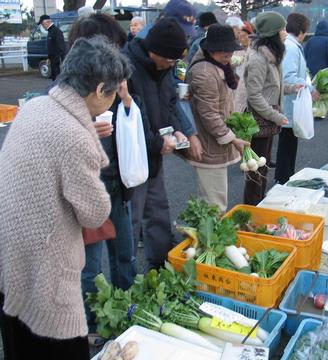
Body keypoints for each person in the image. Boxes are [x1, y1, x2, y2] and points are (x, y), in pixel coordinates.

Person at [0, 36, 128, 359]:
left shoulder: (34, 108)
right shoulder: (73, 137)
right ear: (100, 90)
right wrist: (86, 141)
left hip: (13, 257)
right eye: (113, 92)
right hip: (48, 270)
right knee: (57, 345)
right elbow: (95, 213)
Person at [68, 14, 139, 340]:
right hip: (88, 190)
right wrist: (84, 130)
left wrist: (125, 101)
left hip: (117, 185)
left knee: (125, 252)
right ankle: (94, 325)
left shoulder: (114, 87)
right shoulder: (67, 94)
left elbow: (139, 128)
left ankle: (129, 309)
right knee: (90, 267)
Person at [123, 18, 188, 271]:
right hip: (131, 159)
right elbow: (132, 120)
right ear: (155, 52)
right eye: (169, 60)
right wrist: (157, 143)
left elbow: (169, 104)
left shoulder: (164, 69)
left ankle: (161, 267)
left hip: (154, 155)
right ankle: (125, 280)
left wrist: (178, 131)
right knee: (132, 220)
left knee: (159, 211)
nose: (172, 65)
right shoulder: (127, 69)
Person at [186, 24, 248, 211]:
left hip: (214, 143)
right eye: (223, 49)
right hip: (208, 145)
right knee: (214, 204)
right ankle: (207, 239)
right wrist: (232, 138)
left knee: (213, 200)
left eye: (230, 48)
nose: (228, 53)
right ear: (210, 48)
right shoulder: (205, 72)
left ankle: (206, 237)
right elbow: (209, 114)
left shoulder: (217, 65)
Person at [243, 11, 299, 205]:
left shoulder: (273, 55)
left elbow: (273, 87)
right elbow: (254, 96)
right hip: (260, 118)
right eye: (282, 29)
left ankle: (259, 201)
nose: (285, 32)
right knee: (256, 168)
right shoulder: (259, 58)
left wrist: (293, 88)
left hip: (268, 116)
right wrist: (276, 115)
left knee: (263, 164)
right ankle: (252, 205)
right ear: (273, 33)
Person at [275, 13, 319, 184]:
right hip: (288, 101)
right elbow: (289, 76)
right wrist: (310, 88)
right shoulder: (292, 47)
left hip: (291, 100)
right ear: (301, 30)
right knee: (287, 141)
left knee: (289, 140)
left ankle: (285, 174)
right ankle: (284, 177)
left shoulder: (291, 45)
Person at [233, 21, 254, 113]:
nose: (242, 39)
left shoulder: (254, 49)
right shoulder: (237, 50)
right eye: (240, 36)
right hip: (238, 85)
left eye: (244, 35)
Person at [38, 14, 66, 81]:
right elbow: (51, 47)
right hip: (52, 60)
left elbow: (61, 47)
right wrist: (49, 58)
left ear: (47, 22)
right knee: (54, 79)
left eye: (42, 24)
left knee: (57, 79)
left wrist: (60, 60)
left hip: (57, 61)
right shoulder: (50, 32)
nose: (42, 26)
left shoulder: (56, 31)